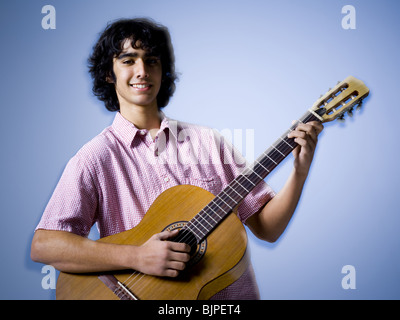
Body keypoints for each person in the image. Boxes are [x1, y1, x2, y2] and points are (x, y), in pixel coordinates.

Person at [31, 18, 323, 299]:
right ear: (109, 73)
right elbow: (45, 246)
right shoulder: (94, 158)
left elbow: (268, 229)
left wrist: (299, 170)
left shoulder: (209, 142)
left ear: (162, 70)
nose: (142, 70)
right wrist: (137, 257)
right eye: (128, 60)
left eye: (152, 60)